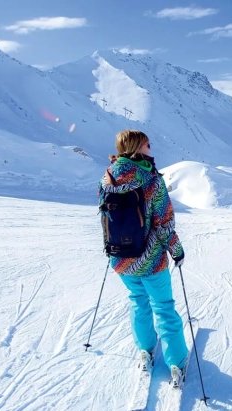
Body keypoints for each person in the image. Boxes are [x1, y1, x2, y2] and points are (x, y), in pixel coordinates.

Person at [98, 130, 187, 385]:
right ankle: (176, 363)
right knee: (164, 308)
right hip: (151, 260)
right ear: (137, 146)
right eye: (147, 143)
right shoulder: (151, 179)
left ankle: (145, 351)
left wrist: (111, 249)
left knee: (138, 301)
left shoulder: (107, 177)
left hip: (121, 259)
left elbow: (105, 218)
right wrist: (176, 250)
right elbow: (164, 222)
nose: (151, 147)